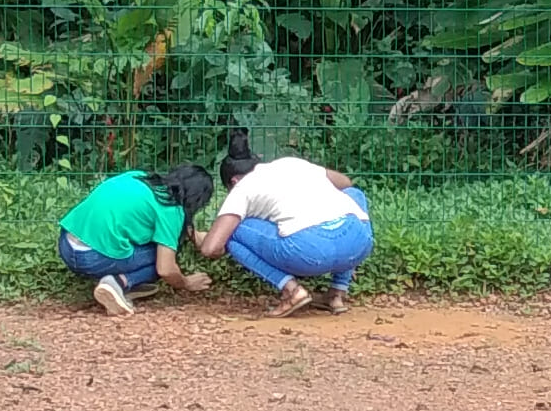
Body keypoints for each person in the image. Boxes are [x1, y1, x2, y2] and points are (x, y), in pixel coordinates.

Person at [193, 128, 374, 315]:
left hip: (312, 253)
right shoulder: (290, 163)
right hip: (359, 244)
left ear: (233, 181)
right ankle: (337, 292)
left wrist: (208, 242)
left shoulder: (242, 188)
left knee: (232, 232)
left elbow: (210, 248)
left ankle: (293, 291)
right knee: (354, 195)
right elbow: (346, 182)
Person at [59, 162, 218, 318]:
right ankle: (117, 282)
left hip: (66, 245)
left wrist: (202, 237)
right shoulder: (171, 210)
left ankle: (126, 284)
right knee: (165, 256)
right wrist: (186, 283)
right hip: (91, 258)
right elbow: (166, 269)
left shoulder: (138, 176)